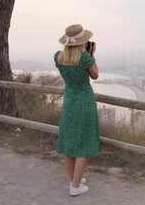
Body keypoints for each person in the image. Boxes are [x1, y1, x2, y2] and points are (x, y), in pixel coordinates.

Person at [54, 24, 100, 197]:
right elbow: (95, 75)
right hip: (85, 101)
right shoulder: (84, 59)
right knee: (84, 144)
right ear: (81, 41)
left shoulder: (58, 57)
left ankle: (75, 179)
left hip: (69, 101)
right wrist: (91, 55)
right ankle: (75, 186)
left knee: (69, 142)